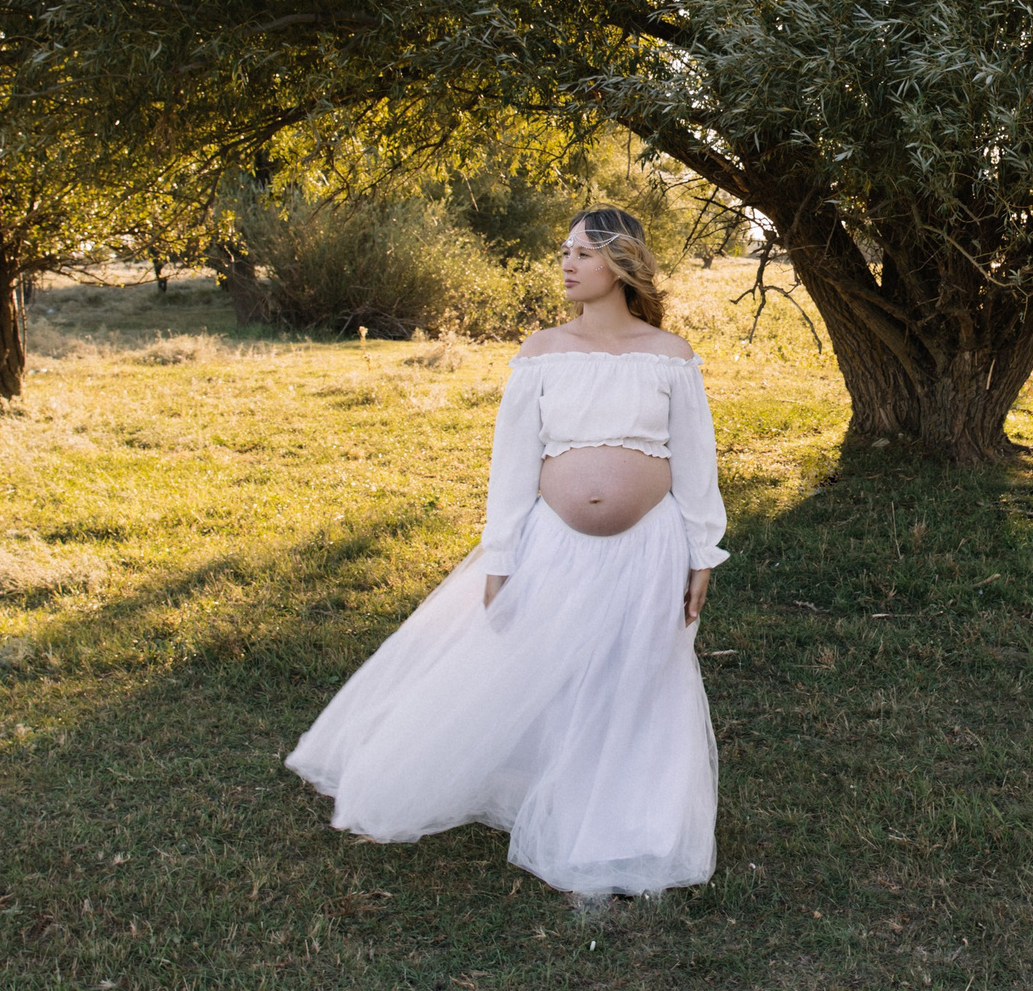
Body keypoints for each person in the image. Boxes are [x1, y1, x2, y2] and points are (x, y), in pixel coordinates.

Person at [284, 208, 728, 897]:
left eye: (582, 252)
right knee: (543, 670)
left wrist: (703, 553)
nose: (567, 263)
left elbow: (697, 460)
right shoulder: (543, 350)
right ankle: (516, 788)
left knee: (638, 675)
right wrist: (501, 555)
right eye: (564, 251)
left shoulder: (669, 354)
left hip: (651, 547)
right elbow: (512, 463)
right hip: (556, 543)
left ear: (620, 263)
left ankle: (632, 824)